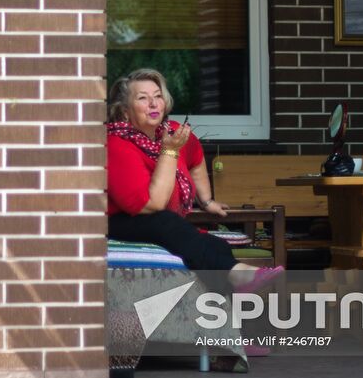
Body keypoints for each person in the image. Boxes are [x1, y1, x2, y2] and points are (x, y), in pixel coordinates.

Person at [107, 69, 283, 291]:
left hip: (161, 221)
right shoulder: (116, 144)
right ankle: (238, 278)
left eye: (158, 96)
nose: (153, 103)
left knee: (217, 246)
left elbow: (196, 156)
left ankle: (220, 320)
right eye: (143, 98)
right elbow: (152, 204)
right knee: (166, 221)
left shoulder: (171, 132)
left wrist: (207, 200)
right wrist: (170, 151)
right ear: (124, 112)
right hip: (122, 221)